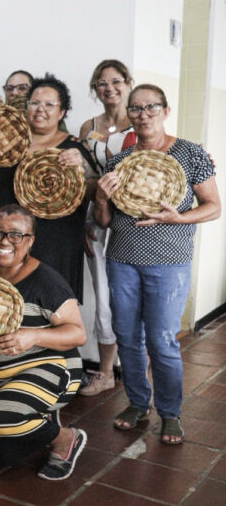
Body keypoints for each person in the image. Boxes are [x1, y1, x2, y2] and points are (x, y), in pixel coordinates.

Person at [94, 84, 220, 445]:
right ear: (128, 114)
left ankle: (170, 413)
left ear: (165, 111)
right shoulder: (120, 160)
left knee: (162, 340)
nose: (143, 114)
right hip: (122, 260)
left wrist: (175, 219)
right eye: (136, 108)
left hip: (169, 262)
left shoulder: (190, 153)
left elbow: (213, 206)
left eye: (151, 107)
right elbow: (103, 221)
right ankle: (137, 403)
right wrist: (101, 195)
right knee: (127, 336)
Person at [0, 204, 87, 480]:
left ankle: (65, 438)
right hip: (0, 375)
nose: (5, 242)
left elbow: (78, 333)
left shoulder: (46, 281)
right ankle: (33, 414)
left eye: (16, 235)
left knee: (4, 420)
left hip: (53, 367)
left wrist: (34, 335)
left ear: (30, 241)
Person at [0, 74, 97, 301]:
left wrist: (82, 165)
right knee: (3, 310)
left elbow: (94, 189)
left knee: (50, 313)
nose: (41, 110)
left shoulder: (73, 147)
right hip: (8, 240)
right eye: (35, 103)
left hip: (56, 243)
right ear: (26, 107)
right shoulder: (6, 142)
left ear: (62, 112)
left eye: (49, 104)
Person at [76, 59, 135, 397]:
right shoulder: (89, 127)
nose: (109, 88)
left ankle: (135, 366)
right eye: (101, 83)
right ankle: (105, 371)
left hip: (131, 222)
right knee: (103, 297)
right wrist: (80, 221)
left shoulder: (140, 121)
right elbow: (81, 179)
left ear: (127, 82)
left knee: (131, 294)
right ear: (95, 88)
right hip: (96, 219)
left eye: (116, 81)